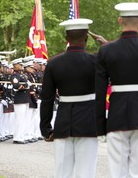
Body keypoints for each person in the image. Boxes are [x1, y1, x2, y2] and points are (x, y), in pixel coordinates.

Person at [40, 18, 102, 178]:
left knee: (61, 172)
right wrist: (105, 45)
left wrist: (46, 129)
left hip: (63, 122)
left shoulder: (54, 63)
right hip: (89, 122)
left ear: (66, 39)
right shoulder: (95, 62)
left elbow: (47, 98)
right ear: (86, 39)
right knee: (86, 172)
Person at [96, 2, 138, 178]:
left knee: (118, 170)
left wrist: (100, 126)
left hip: (117, 115)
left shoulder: (106, 51)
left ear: (119, 21)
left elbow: (100, 92)